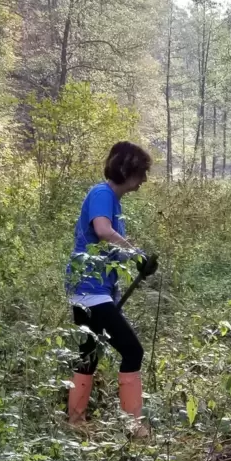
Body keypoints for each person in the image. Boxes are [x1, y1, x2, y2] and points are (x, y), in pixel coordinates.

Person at [65, 141, 158, 436]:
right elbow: (103, 231)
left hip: (94, 288)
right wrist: (136, 253)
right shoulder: (102, 193)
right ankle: (133, 425)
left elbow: (108, 244)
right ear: (127, 170)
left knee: (89, 355)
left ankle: (76, 422)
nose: (144, 179)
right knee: (132, 350)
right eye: (142, 172)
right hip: (89, 288)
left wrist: (133, 258)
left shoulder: (112, 201)